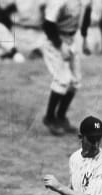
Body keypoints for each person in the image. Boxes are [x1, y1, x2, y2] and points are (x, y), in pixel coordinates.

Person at [41, 0, 92, 136]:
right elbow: (48, 24)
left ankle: (61, 117)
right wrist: (60, 44)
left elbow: (86, 15)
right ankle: (49, 117)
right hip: (54, 40)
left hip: (71, 39)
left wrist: (85, 39)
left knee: (75, 81)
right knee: (63, 79)